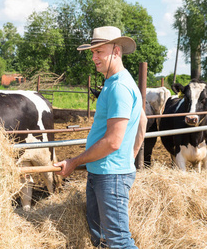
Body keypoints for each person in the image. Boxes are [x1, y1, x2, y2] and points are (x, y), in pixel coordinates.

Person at [54, 26, 147, 248]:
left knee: (119, 241)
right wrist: (130, 156)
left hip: (111, 176)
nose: (94, 57)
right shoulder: (113, 82)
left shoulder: (119, 87)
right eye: (93, 52)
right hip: (103, 172)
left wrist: (74, 161)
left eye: (99, 51)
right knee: (101, 238)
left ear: (116, 51)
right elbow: (143, 120)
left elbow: (114, 141)